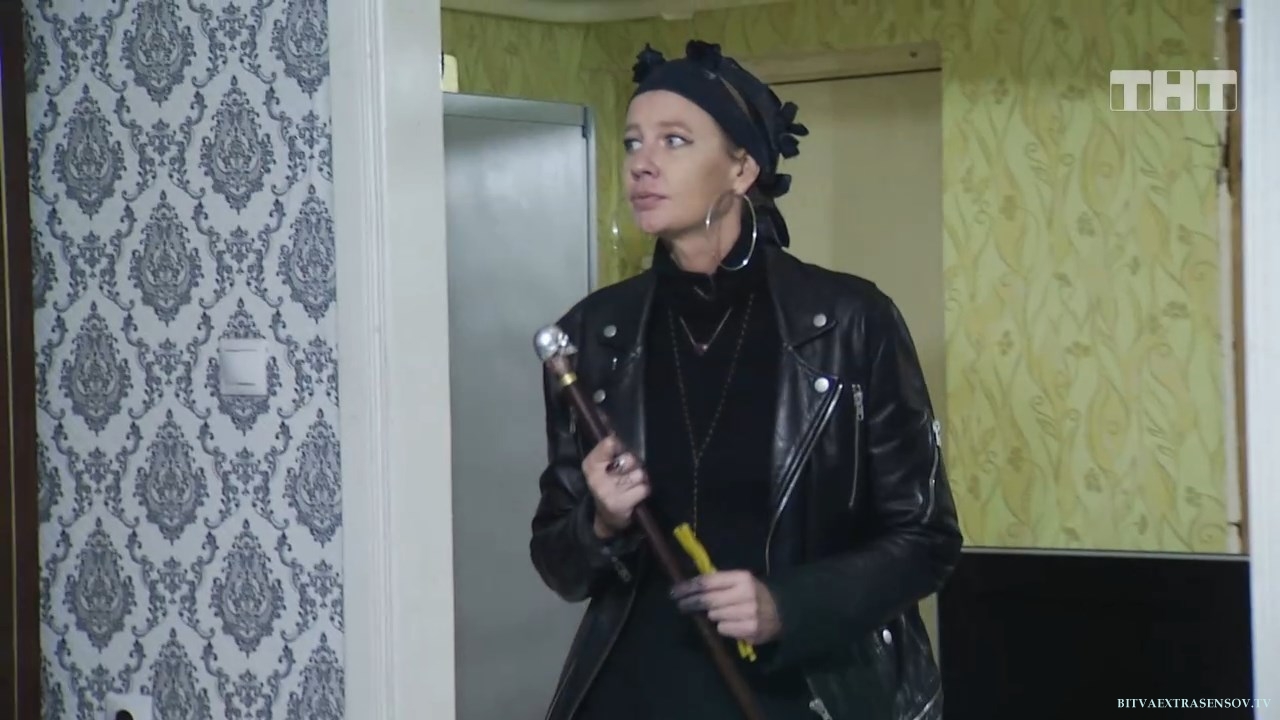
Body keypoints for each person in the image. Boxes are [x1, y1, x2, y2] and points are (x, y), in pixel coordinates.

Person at [529, 39, 963, 720]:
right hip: (636, 693)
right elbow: (559, 562)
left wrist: (787, 605)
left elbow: (926, 540)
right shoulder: (591, 335)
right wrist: (603, 521)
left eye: (674, 140)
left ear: (742, 168)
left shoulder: (852, 322)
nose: (642, 162)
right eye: (633, 141)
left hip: (802, 691)